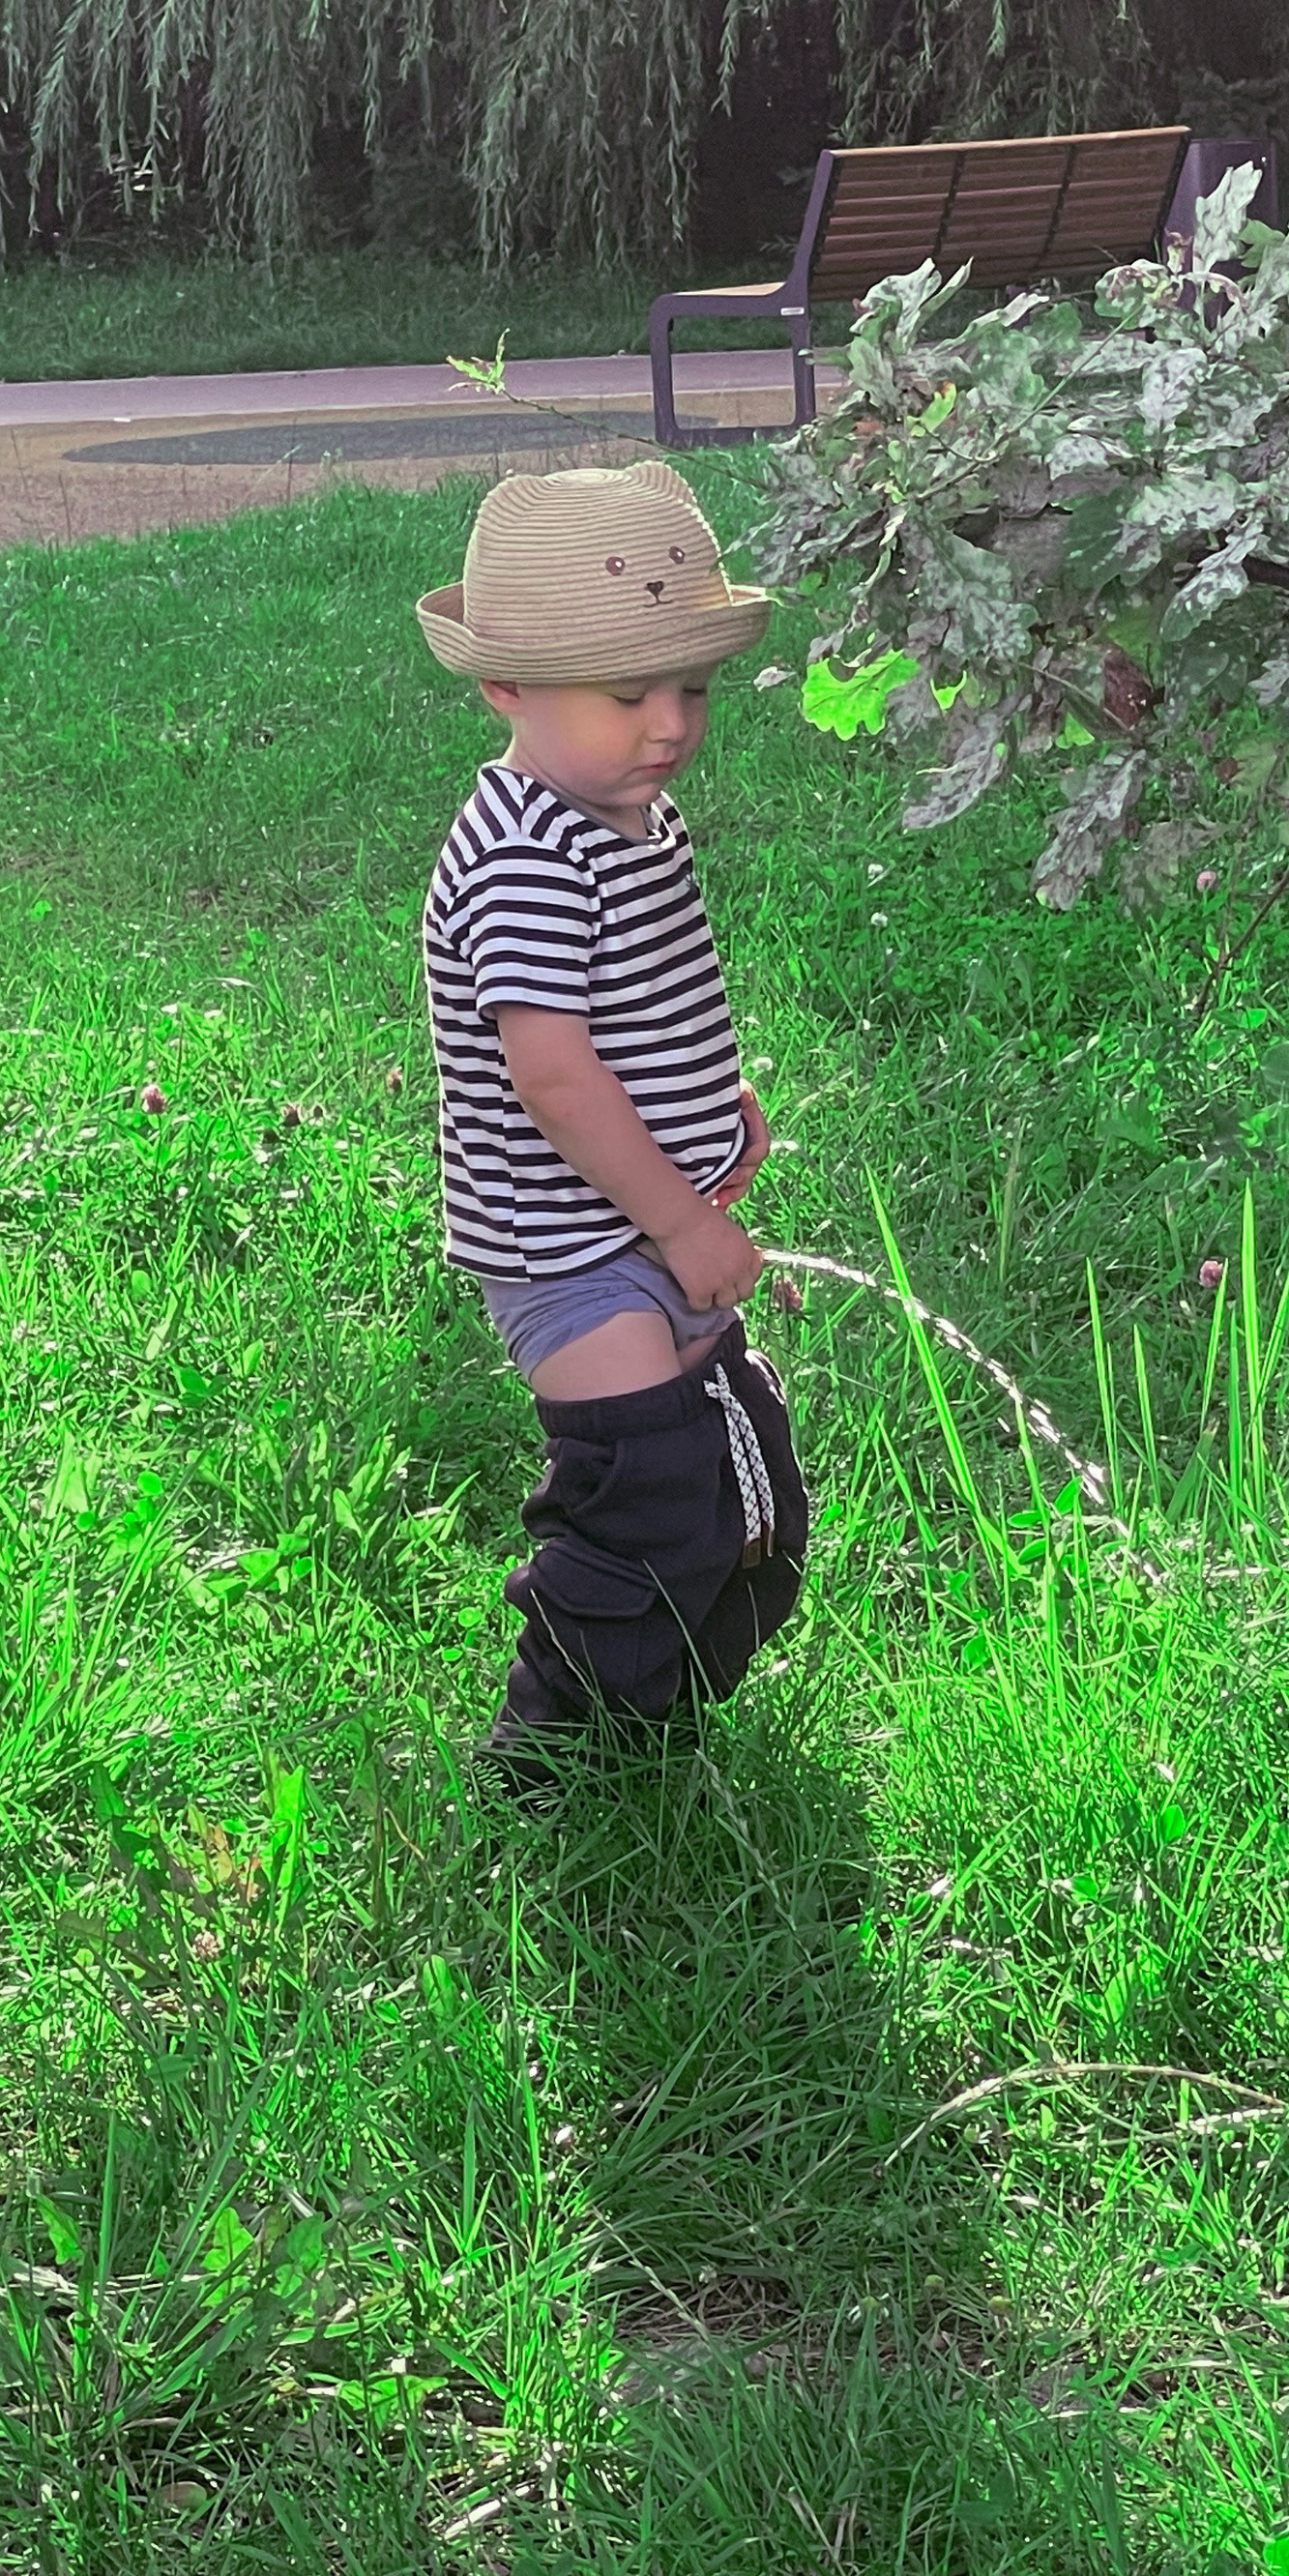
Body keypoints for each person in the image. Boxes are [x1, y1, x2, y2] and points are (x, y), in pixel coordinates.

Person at [415, 458, 808, 1792]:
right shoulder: (526, 847)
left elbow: (645, 1010)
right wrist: (683, 1213)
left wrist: (709, 1118)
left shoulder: (631, 819)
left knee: (742, 1482)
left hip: (644, 1215)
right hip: (571, 1251)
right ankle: (549, 1753)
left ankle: (658, 1713)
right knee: (647, 1485)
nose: (669, 723)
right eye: (627, 692)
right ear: (505, 688)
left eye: (688, 686)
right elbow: (558, 1079)